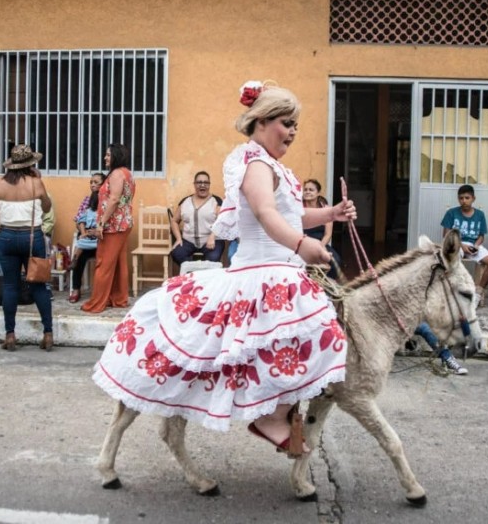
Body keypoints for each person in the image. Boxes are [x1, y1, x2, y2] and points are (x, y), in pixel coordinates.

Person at [92, 81, 356, 453]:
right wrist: (301, 244)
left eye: (296, 124)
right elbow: (266, 214)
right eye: (286, 122)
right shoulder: (256, 166)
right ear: (262, 121)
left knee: (313, 337)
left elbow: (291, 214)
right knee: (319, 332)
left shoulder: (271, 166)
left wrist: (330, 213)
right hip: (263, 272)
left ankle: (274, 414)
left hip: (280, 268)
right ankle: (270, 417)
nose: (294, 131)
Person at [0, 145, 54, 351]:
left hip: (7, 237)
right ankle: (48, 333)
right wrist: (38, 182)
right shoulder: (36, 183)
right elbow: (47, 207)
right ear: (31, 164)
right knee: (39, 285)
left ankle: (10, 335)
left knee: (10, 286)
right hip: (33, 237)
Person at [81, 144, 135, 314]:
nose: (105, 158)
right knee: (119, 263)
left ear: (116, 156)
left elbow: (114, 199)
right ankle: (118, 299)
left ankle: (96, 303)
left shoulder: (117, 174)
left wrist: (101, 223)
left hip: (113, 225)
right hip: (123, 223)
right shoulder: (127, 173)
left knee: (103, 264)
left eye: (108, 155)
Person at [440, 184, 488, 307]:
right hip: (455, 243)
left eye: (467, 198)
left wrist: (476, 246)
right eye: (461, 198)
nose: (464, 201)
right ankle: (454, 293)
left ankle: (477, 293)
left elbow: (481, 235)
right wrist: (461, 246)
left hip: (473, 244)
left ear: (473, 198)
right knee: (452, 259)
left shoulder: (479, 215)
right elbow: (446, 235)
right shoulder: (452, 213)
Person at [170, 171, 225, 265]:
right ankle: (195, 273)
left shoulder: (216, 201)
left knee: (213, 258)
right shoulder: (185, 202)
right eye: (199, 182)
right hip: (189, 241)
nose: (202, 185)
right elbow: (174, 221)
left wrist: (212, 236)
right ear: (194, 184)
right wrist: (179, 239)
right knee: (177, 253)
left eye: (206, 183)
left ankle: (198, 274)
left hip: (211, 240)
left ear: (209, 184)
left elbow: (222, 221)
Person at [69, 173, 105, 303]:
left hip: (101, 240)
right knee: (79, 259)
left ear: (104, 184)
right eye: (91, 182)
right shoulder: (87, 200)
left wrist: (98, 231)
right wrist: (85, 231)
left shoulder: (108, 202)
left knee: (106, 259)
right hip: (86, 238)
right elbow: (79, 220)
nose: (93, 185)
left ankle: (102, 292)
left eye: (96, 182)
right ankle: (76, 289)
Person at [302, 179, 342, 280]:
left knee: (335, 261)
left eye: (311, 190)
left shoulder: (326, 209)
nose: (307, 192)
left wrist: (320, 247)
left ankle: (326, 286)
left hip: (321, 242)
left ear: (318, 192)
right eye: (305, 189)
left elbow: (328, 234)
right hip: (302, 242)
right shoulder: (298, 207)